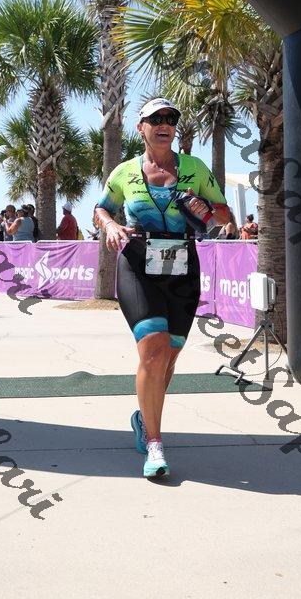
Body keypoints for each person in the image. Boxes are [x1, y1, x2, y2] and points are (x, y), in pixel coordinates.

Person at [94, 97, 230, 479]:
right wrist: (111, 225)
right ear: (141, 128)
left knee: (168, 357)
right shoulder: (124, 171)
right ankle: (154, 443)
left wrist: (202, 207)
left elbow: (223, 215)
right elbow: (100, 208)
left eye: (170, 118)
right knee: (152, 349)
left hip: (183, 266)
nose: (164, 124)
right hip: (138, 264)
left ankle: (144, 416)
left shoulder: (194, 168)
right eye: (156, 119)